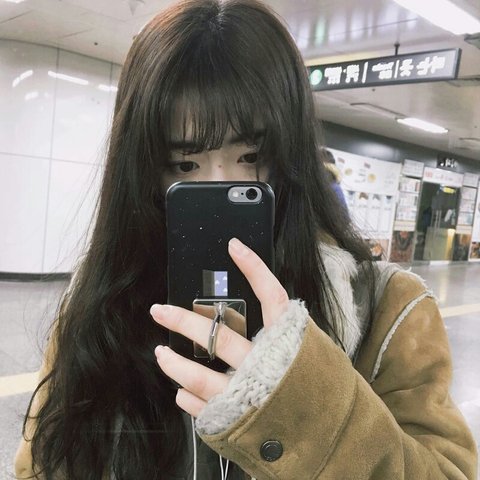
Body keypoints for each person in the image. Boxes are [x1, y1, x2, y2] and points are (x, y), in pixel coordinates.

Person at [15, 0, 477, 479]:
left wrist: (308, 413)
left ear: (290, 153)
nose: (220, 184)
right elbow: (39, 467)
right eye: (185, 163)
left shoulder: (385, 307)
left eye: (252, 156)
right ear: (143, 169)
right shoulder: (100, 305)